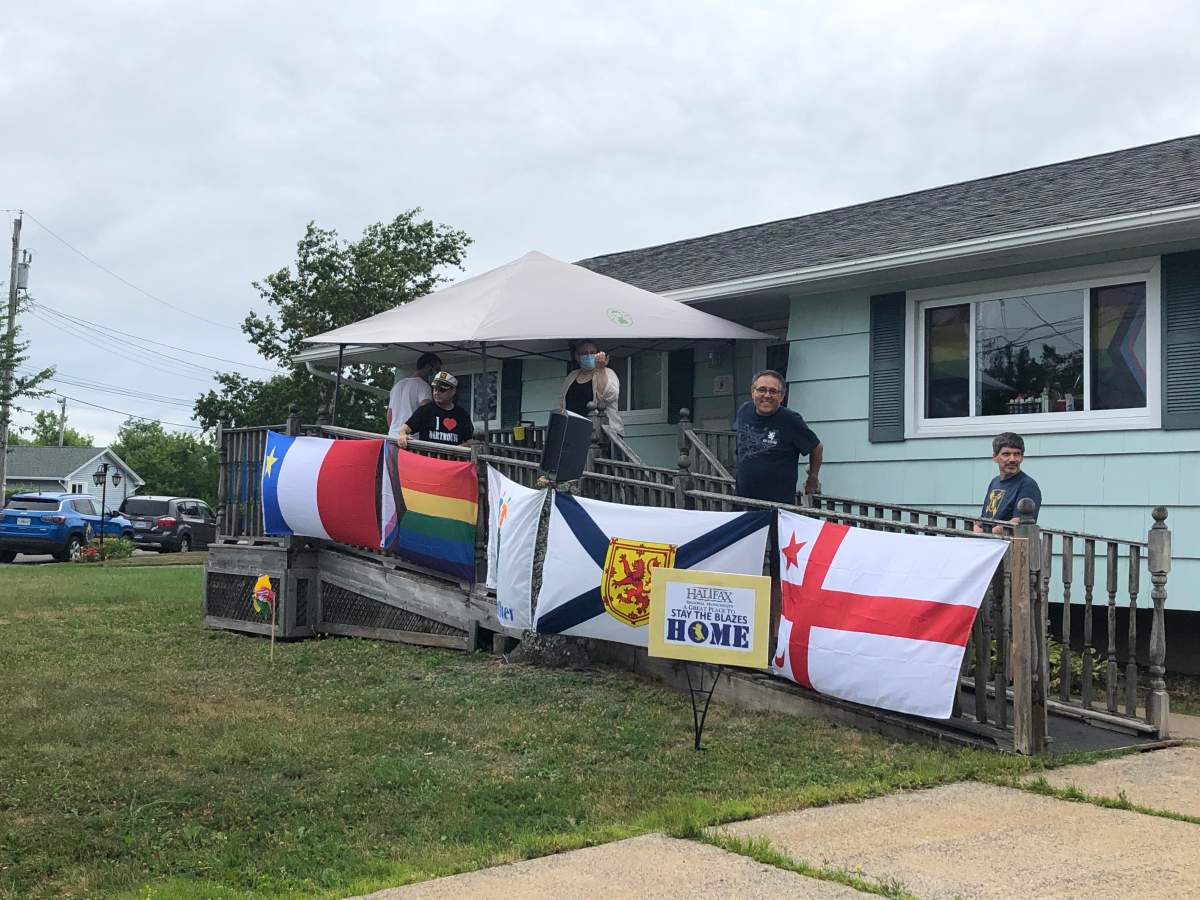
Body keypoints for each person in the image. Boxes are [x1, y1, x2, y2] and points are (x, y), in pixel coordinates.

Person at [734, 370, 823, 503]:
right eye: (762, 390)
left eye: (773, 391)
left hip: (777, 505)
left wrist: (813, 478)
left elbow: (816, 447)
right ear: (753, 392)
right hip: (743, 500)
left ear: (781, 396)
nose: (767, 395)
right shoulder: (744, 411)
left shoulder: (790, 419)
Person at [973, 432, 1041, 534]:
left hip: (1013, 547)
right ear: (995, 457)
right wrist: (977, 526)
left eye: (1017, 454)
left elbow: (1018, 522)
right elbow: (986, 516)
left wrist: (987, 534)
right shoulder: (994, 482)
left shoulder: (1027, 485)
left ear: (1022, 457)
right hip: (990, 545)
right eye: (1006, 454)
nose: (1012, 459)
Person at [395, 371, 474, 448]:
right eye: (435, 388)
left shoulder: (462, 415)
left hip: (451, 460)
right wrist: (402, 435)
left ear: (453, 391)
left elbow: (470, 441)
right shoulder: (425, 410)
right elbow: (404, 429)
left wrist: (464, 446)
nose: (436, 392)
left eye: (442, 390)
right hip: (427, 459)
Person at [559, 340, 623, 434]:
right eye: (584, 353)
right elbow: (562, 402)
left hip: (602, 433)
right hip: (574, 430)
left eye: (592, 353)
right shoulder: (572, 376)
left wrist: (600, 369)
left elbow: (610, 396)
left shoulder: (608, 372)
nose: (589, 356)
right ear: (577, 356)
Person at [386, 352, 442, 438]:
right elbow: (427, 411)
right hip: (411, 439)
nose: (438, 374)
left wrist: (395, 432)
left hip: (393, 436)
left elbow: (389, 414)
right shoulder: (423, 386)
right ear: (428, 367)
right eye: (437, 370)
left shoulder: (398, 385)